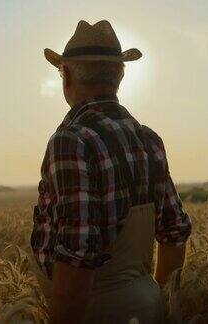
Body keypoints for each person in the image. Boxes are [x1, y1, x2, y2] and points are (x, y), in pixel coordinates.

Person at [30, 20, 193, 324]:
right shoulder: (149, 139)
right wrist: (154, 300)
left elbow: (77, 258)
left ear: (66, 77)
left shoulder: (71, 141)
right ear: (120, 75)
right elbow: (174, 234)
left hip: (89, 314)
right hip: (149, 308)